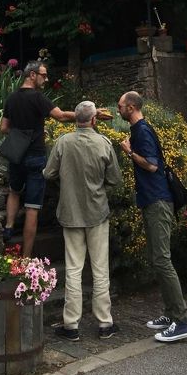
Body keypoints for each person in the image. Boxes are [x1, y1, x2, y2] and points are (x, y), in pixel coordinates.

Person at [43, 100, 122, 342]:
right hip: (97, 211)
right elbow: (115, 180)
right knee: (100, 269)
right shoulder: (103, 143)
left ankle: (71, 325)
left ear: (75, 119)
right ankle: (105, 323)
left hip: (71, 211)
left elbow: (48, 173)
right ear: (94, 119)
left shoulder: (63, 142)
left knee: (74, 268)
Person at [117, 90, 187, 343]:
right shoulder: (139, 129)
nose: (118, 110)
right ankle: (170, 314)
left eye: (120, 106)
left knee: (162, 259)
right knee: (157, 258)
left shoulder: (142, 131)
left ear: (131, 107)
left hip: (158, 200)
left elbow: (151, 164)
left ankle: (181, 321)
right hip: (153, 200)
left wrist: (129, 152)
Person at [0, 60, 75, 256]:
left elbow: (3, 128)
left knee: (14, 191)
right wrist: (87, 115)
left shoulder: (12, 98)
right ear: (32, 75)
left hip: (16, 155)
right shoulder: (38, 98)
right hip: (35, 156)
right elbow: (61, 116)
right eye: (43, 75)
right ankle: (25, 258)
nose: (46, 79)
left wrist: (20, 134)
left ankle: (9, 226)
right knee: (32, 207)